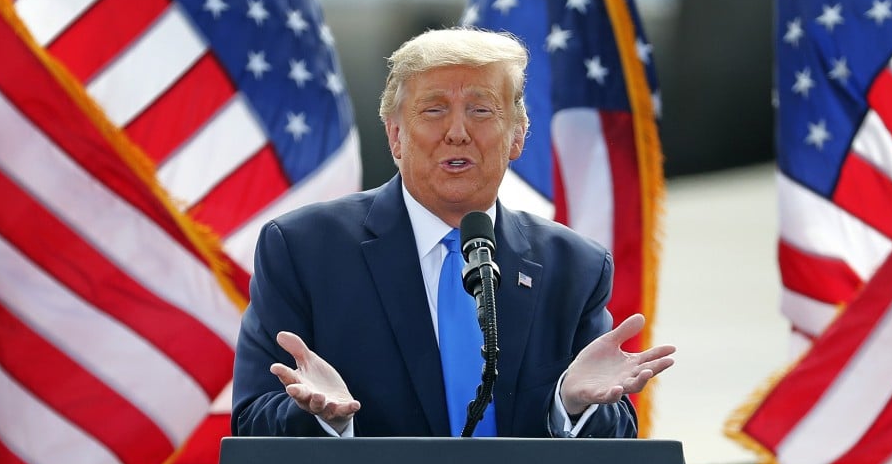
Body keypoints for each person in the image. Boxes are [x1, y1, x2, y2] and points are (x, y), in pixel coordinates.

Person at [231, 27, 675, 439]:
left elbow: (614, 444)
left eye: (481, 110)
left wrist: (571, 407)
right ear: (396, 136)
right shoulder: (304, 250)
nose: (458, 133)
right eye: (434, 110)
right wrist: (323, 418)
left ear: (517, 136)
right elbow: (252, 420)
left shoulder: (574, 267)